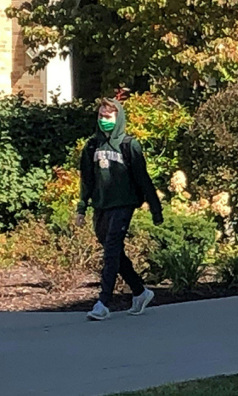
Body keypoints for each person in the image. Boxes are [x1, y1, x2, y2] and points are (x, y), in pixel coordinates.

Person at [76, 98, 163, 321]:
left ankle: (103, 303)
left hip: (124, 205)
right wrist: (82, 207)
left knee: (111, 250)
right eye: (101, 116)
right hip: (101, 205)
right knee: (113, 251)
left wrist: (155, 209)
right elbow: (86, 180)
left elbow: (143, 178)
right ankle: (140, 292)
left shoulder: (129, 145)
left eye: (108, 117)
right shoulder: (92, 146)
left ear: (118, 118)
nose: (103, 120)